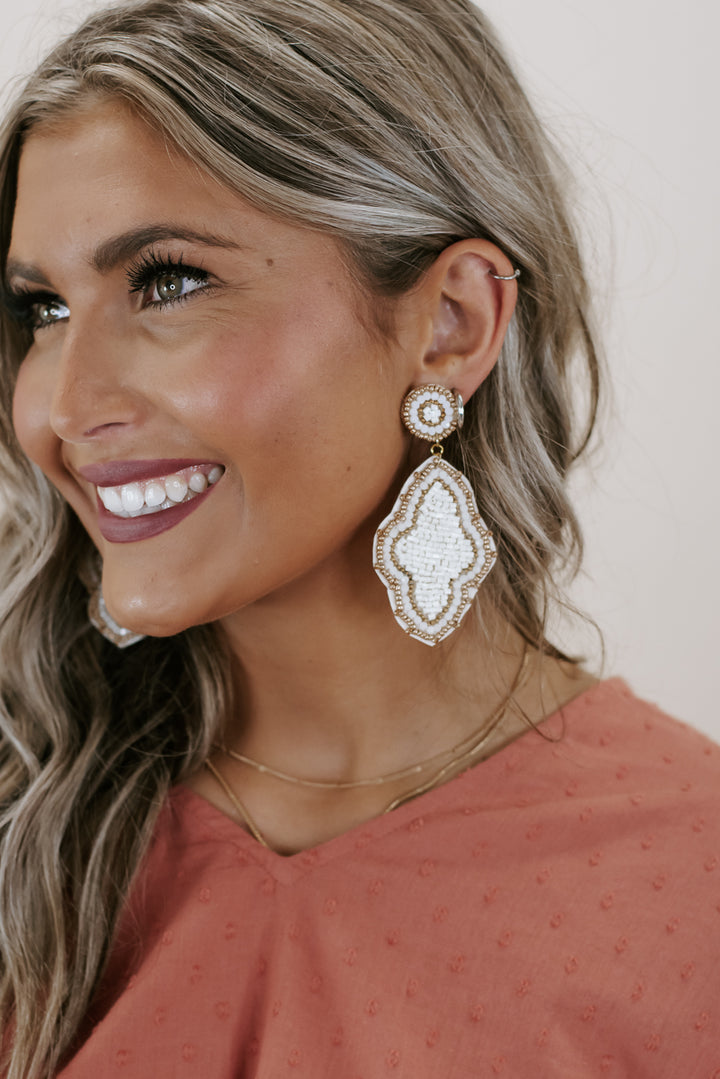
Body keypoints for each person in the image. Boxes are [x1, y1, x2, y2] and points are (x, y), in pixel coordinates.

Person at [0, 0, 718, 1075]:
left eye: (169, 282)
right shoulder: (28, 829)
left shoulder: (691, 892)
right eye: (45, 310)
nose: (64, 406)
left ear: (451, 324)